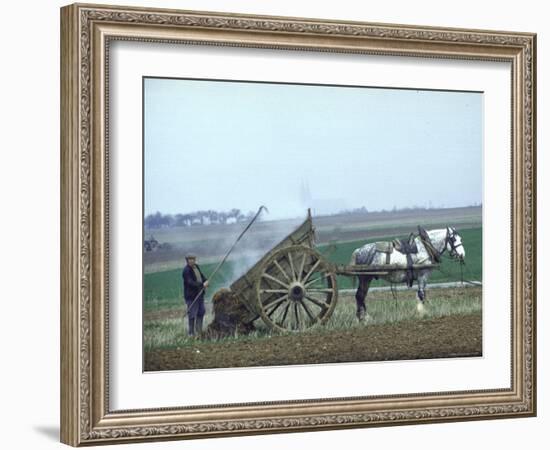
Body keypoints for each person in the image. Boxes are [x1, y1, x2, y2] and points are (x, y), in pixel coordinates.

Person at [182, 255, 209, 336]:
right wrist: (202, 284)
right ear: (187, 260)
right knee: (192, 314)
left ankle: (199, 331)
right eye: (190, 259)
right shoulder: (186, 271)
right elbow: (190, 282)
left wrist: (206, 280)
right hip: (191, 296)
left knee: (201, 311)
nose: (192, 261)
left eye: (193, 259)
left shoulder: (196, 267)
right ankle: (191, 333)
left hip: (200, 293)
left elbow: (201, 276)